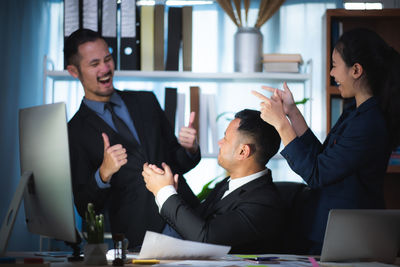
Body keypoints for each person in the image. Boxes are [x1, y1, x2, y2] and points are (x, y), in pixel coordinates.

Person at [252, 28, 400, 253]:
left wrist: (281, 123)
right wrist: (292, 112)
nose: (332, 73)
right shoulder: (355, 111)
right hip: (331, 227)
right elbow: (322, 158)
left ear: (356, 70)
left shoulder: (370, 122)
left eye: (334, 65)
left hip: (349, 236)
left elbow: (316, 173)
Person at [65, 29, 201, 249]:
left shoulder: (146, 101)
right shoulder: (74, 131)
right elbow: (84, 205)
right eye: (94, 64)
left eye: (108, 59)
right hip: (139, 238)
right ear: (74, 71)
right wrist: (103, 174)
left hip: (189, 220)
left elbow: (177, 163)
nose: (105, 68)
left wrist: (190, 149)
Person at [142, 109, 284, 253]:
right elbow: (194, 224)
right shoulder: (226, 185)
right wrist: (170, 189)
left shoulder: (263, 201)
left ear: (243, 151)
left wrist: (164, 192)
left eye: (225, 139)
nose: (220, 142)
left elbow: (206, 239)